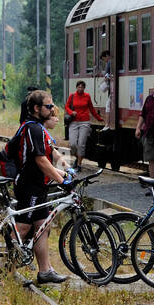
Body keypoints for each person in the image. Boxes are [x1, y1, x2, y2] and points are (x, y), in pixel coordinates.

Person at [11, 89, 70, 285]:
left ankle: (45, 271)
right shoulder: (33, 129)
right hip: (30, 186)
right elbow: (41, 161)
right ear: (37, 108)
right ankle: (4, 270)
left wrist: (64, 171)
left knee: (42, 227)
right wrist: (62, 181)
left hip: (38, 186)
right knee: (23, 227)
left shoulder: (37, 127)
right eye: (48, 106)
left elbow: (49, 157)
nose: (52, 109)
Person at [65, 80, 102, 169]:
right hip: (74, 122)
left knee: (81, 144)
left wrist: (98, 118)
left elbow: (91, 108)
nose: (80, 89)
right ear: (76, 87)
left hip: (85, 122)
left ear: (84, 88)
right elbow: (66, 107)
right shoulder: (72, 96)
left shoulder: (87, 96)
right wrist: (71, 112)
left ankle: (79, 164)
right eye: (79, 87)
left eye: (82, 87)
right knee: (73, 144)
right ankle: (77, 157)